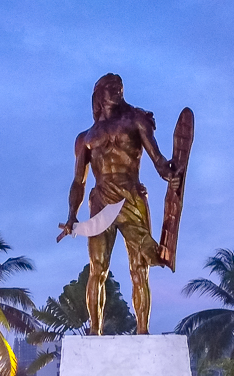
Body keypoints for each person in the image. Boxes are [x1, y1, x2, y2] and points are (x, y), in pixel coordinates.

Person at [57, 74, 179, 335]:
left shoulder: (135, 120)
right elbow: (78, 181)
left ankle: (142, 330)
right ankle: (94, 331)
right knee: (97, 269)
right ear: (99, 94)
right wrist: (71, 216)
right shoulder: (85, 138)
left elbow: (157, 159)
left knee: (140, 267)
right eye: (111, 88)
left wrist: (169, 173)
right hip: (100, 201)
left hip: (131, 196)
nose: (117, 91)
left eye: (120, 87)